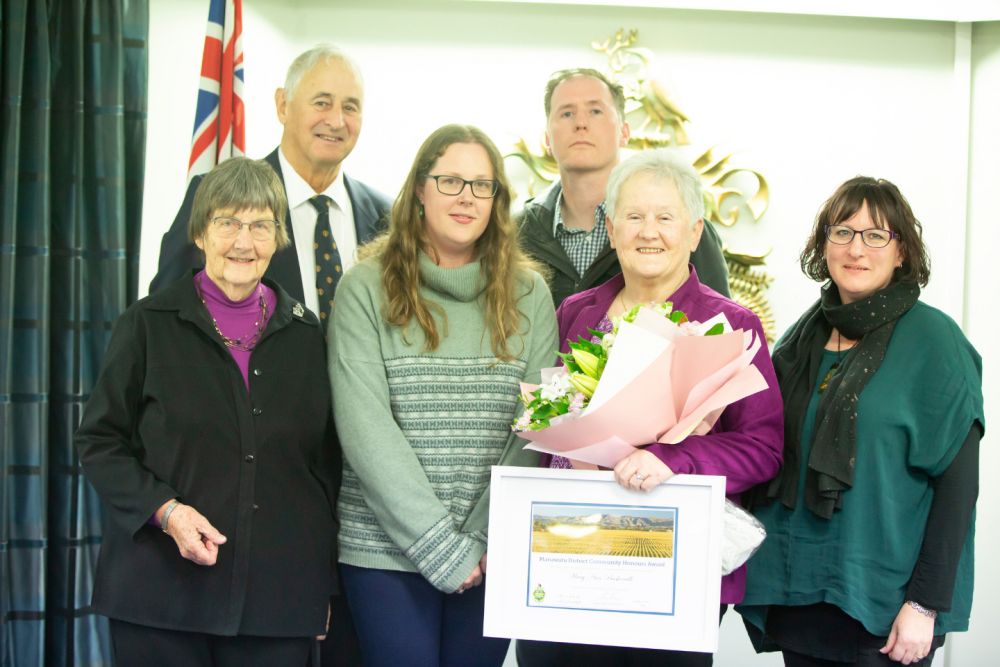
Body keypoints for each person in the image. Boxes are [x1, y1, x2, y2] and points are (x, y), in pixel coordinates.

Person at [516, 149, 784, 667]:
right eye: (634, 217)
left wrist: (672, 459)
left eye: (666, 218)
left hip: (672, 568)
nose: (649, 232)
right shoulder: (575, 312)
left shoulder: (731, 325)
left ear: (695, 232)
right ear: (612, 230)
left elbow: (763, 449)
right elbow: (550, 417)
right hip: (573, 556)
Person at [75, 157, 340, 666]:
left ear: (278, 236)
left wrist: (319, 588)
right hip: (159, 596)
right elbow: (100, 442)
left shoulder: (309, 337)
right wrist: (167, 511)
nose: (244, 241)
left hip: (276, 607)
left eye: (261, 224)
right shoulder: (146, 325)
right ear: (200, 233)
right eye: (228, 223)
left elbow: (324, 472)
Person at [329, 124, 558, 666]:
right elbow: (365, 429)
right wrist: (440, 546)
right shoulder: (364, 287)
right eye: (451, 180)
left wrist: (481, 539)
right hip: (384, 551)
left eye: (482, 185)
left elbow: (537, 427)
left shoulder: (530, 293)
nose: (466, 197)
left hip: (491, 549)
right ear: (419, 190)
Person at [738, 177, 984, 667]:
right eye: (843, 232)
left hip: (884, 606)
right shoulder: (800, 339)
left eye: (876, 235)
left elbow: (958, 490)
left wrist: (924, 604)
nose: (856, 248)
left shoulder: (937, 343)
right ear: (823, 244)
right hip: (800, 592)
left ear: (902, 253)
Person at [150, 44, 391, 327]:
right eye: (322, 103)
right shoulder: (216, 196)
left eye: (350, 107)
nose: (337, 121)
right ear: (283, 105)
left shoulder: (386, 215)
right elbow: (165, 314)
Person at [518, 67, 731, 307]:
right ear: (547, 138)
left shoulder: (679, 227)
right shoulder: (516, 232)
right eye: (566, 113)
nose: (580, 123)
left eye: (595, 111)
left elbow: (719, 323)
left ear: (624, 132)